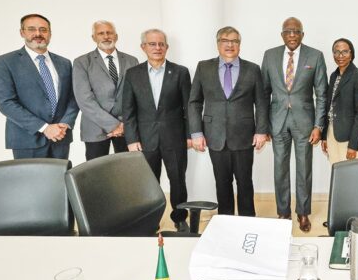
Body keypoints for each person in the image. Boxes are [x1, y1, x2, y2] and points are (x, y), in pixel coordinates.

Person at [188, 26, 268, 217]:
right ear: (218, 44)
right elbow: (194, 102)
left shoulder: (252, 68)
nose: (230, 45)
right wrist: (196, 132)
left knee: (245, 182)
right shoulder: (203, 67)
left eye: (234, 41)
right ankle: (225, 221)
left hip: (244, 136)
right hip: (214, 135)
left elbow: (262, 102)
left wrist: (261, 130)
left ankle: (248, 220)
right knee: (222, 182)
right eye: (225, 40)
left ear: (240, 45)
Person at [261, 17, 328, 232]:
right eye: (288, 31)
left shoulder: (315, 56)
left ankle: (303, 212)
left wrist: (319, 125)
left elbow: (322, 94)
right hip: (277, 120)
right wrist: (263, 126)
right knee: (280, 168)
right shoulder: (270, 55)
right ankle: (283, 212)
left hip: (304, 122)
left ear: (302, 34)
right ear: (282, 34)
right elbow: (263, 93)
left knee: (303, 169)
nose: (292, 35)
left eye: (296, 31)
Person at [122, 29, 191, 232]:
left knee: (178, 181)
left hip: (175, 139)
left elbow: (189, 108)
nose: (157, 48)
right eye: (152, 44)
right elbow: (128, 109)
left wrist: (189, 135)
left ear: (167, 47)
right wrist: (131, 139)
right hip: (144, 140)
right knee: (148, 184)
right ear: (143, 47)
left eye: (161, 44)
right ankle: (150, 221)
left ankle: (180, 219)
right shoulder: (133, 74)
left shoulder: (180, 72)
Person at [0, 14, 78, 159]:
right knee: (29, 182)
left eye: (43, 30)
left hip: (61, 138)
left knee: (59, 181)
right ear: (22, 32)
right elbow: (5, 102)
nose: (38, 34)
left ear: (50, 33)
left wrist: (65, 123)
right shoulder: (5, 62)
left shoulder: (65, 63)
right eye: (31, 29)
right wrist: (44, 128)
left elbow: (73, 97)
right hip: (27, 139)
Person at [73, 20, 139, 160]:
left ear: (116, 36)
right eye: (101, 33)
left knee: (127, 172)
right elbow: (84, 99)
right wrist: (113, 125)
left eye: (109, 32)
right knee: (95, 174)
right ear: (94, 37)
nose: (106, 36)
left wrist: (123, 124)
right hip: (95, 127)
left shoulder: (132, 61)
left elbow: (135, 96)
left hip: (126, 127)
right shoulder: (82, 62)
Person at [321, 38, 358, 164]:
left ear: (351, 54)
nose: (340, 56)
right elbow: (328, 106)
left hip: (349, 136)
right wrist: (324, 136)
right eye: (336, 52)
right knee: (336, 171)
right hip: (332, 132)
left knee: (351, 175)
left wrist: (353, 144)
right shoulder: (333, 76)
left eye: (345, 52)